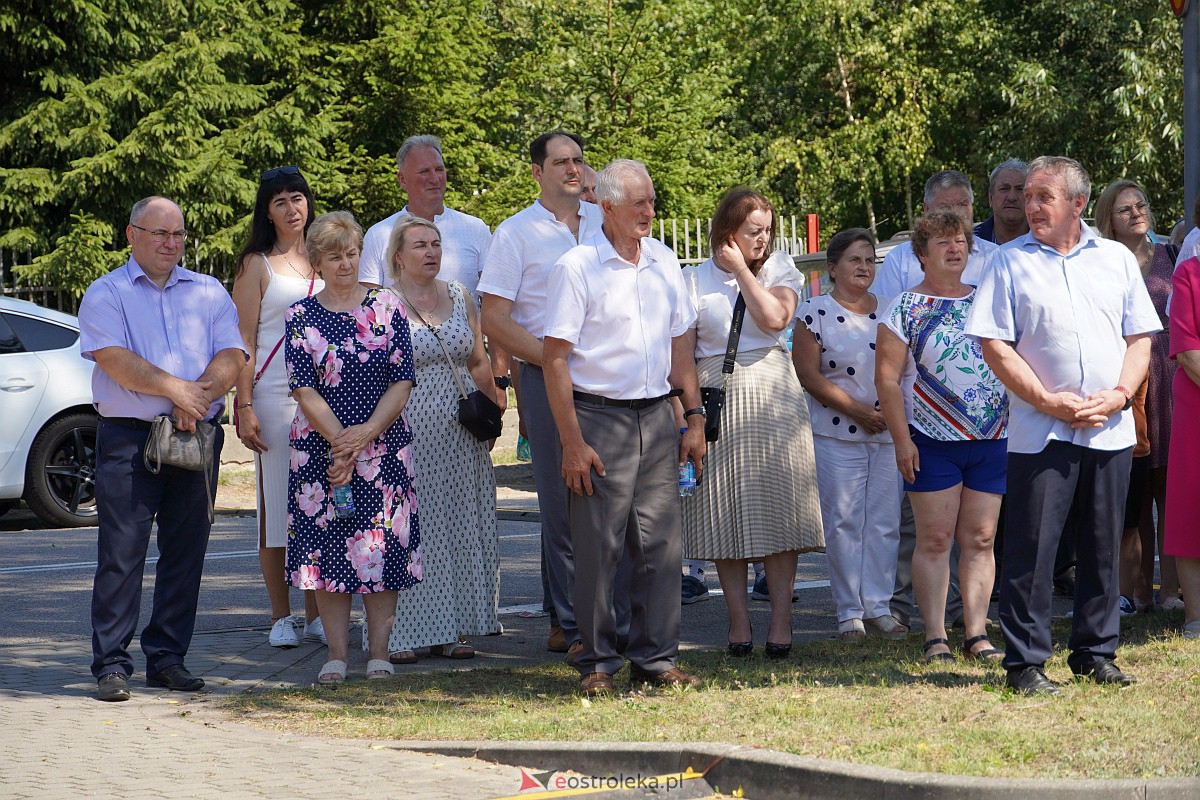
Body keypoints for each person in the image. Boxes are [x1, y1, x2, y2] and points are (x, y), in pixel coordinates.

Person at [966, 156, 1159, 694]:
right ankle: (1025, 662)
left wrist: (1120, 395)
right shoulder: (1007, 262)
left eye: (1042, 197)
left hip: (1109, 427)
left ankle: (1095, 652)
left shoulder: (1116, 260)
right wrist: (1047, 400)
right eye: (1026, 196)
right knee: (1032, 548)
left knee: (1102, 544)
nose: (1029, 206)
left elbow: (1140, 337)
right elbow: (992, 345)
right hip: (1040, 430)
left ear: (1077, 203)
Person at [543, 159, 705, 696]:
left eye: (652, 201)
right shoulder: (576, 267)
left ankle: (656, 658)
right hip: (598, 417)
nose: (649, 212)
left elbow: (680, 346)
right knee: (598, 545)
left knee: (660, 546)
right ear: (605, 207)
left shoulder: (664, 260)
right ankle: (597, 662)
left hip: (659, 414)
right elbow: (556, 360)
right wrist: (571, 441)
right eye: (638, 202)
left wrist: (694, 416)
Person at [81, 196, 247, 701]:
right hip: (129, 439)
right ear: (132, 235)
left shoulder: (208, 290)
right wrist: (177, 391)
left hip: (197, 435)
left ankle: (168, 658)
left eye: (177, 235)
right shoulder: (107, 292)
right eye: (159, 234)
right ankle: (112, 664)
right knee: (121, 555)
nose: (170, 244)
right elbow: (113, 359)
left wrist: (195, 396)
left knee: (186, 553)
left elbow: (233, 355)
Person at [478, 132, 607, 661]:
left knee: (608, 494)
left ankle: (601, 616)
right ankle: (572, 624)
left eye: (579, 160)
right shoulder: (516, 234)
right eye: (561, 162)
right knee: (562, 502)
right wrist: (554, 362)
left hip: (608, 379)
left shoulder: (607, 222)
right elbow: (493, 319)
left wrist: (603, 192)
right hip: (545, 378)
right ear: (537, 172)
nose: (573, 170)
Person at [681, 188, 823, 658]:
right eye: (753, 231)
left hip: (772, 391)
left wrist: (743, 270)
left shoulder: (780, 268)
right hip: (715, 396)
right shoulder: (694, 279)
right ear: (728, 231)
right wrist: (688, 412)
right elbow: (681, 349)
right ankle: (737, 624)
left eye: (767, 230)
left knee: (779, 509)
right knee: (725, 510)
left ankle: (780, 623)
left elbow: (775, 317)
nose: (763, 239)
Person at [284, 211, 422, 684]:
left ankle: (380, 653)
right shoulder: (300, 315)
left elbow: (402, 380)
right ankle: (336, 657)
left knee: (379, 546)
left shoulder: (388, 306)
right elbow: (304, 389)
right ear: (317, 262)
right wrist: (340, 445)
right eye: (334, 256)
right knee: (328, 550)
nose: (345, 264)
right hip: (320, 451)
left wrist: (363, 436)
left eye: (352, 254)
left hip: (382, 448)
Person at [875, 212, 1009, 662]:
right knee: (934, 540)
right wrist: (901, 441)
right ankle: (935, 636)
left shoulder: (988, 301)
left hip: (991, 438)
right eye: (942, 243)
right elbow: (887, 381)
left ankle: (976, 633)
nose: (955, 249)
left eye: (960, 241)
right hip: (931, 441)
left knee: (982, 539)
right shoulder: (903, 308)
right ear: (920, 254)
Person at [384, 216, 501, 663]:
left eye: (435, 244)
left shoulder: (458, 294)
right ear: (398, 256)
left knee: (459, 525)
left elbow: (477, 359)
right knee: (413, 529)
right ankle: (403, 633)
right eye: (419, 245)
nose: (430, 252)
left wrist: (490, 411)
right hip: (407, 430)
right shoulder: (382, 304)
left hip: (461, 431)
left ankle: (455, 628)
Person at [230, 165, 325, 649]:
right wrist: (243, 404)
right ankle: (281, 614)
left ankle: (316, 612)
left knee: (323, 505)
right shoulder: (256, 265)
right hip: (275, 396)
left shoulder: (327, 257)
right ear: (267, 211)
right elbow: (243, 341)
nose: (293, 208)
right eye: (281, 201)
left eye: (299, 198)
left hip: (329, 399)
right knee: (278, 509)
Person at [794, 228, 903, 642]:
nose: (863, 267)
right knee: (843, 522)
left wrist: (885, 417)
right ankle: (848, 613)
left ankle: (878, 606)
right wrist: (858, 411)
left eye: (869, 260)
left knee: (884, 522)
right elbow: (808, 374)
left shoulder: (893, 310)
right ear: (834, 268)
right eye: (855, 260)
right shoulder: (813, 311)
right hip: (836, 432)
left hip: (889, 432)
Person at [1093, 179, 1180, 611]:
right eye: (1125, 208)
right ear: (1108, 217)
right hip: (1130, 381)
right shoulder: (1102, 263)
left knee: (1171, 488)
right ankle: (1136, 590)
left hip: (1172, 377)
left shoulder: (1170, 253)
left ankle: (1170, 591)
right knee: (1136, 491)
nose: (1136, 213)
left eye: (1141, 205)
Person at [359, 135, 492, 301]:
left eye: (439, 169)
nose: (434, 179)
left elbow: (493, 305)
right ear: (402, 179)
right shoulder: (379, 235)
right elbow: (367, 307)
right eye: (424, 171)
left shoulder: (475, 229)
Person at [1164, 255, 1200, 638]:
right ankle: (1196, 615)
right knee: (1192, 502)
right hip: (1197, 403)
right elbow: (1189, 352)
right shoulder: (1189, 273)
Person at [974, 159, 1029, 245]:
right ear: (991, 198)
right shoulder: (970, 241)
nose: (1012, 197)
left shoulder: (1046, 241)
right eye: (1004, 189)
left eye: (1020, 189)